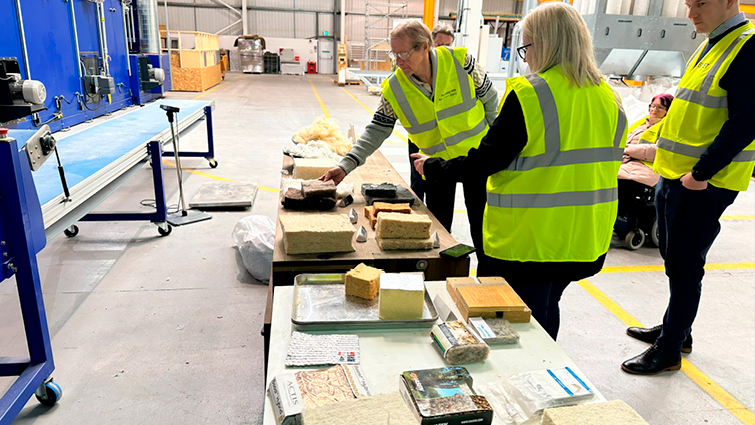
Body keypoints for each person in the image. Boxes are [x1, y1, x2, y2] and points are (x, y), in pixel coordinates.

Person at [412, 2, 627, 340]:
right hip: (584, 237)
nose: (525, 58)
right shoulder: (609, 97)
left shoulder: (532, 93)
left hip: (531, 242)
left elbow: (485, 161)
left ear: (546, 44)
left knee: (519, 326)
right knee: (545, 310)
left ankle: (532, 382)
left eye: (526, 47)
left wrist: (434, 167)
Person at [621, 0, 755, 375]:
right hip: (676, 173)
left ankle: (669, 350)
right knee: (675, 257)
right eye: (689, 4)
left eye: (701, 3)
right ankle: (679, 330)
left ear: (730, 1)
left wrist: (701, 174)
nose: (692, 12)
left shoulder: (746, 46)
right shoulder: (713, 41)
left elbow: (746, 122)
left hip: (702, 183)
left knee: (684, 265)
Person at [320, 20, 499, 275]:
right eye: (394, 54)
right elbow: (377, 128)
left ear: (424, 47)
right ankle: (441, 281)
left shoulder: (461, 62)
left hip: (476, 160)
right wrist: (346, 165)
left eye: (403, 54)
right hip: (436, 166)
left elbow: (491, 100)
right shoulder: (395, 88)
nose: (398, 61)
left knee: (484, 230)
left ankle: (489, 284)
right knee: (437, 231)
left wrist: (495, 150)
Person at [405, 22, 458, 202]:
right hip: (420, 135)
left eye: (448, 45)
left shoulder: (455, 69)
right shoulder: (409, 68)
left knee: (442, 186)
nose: (443, 49)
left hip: (443, 139)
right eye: (439, 45)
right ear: (429, 45)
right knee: (418, 181)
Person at [616, 94, 673, 216]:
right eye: (652, 106)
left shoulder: (668, 127)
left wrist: (627, 150)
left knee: (621, 185)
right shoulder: (641, 124)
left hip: (647, 168)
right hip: (628, 164)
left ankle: (624, 220)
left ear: (668, 111)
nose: (654, 110)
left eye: (660, 107)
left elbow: (659, 151)